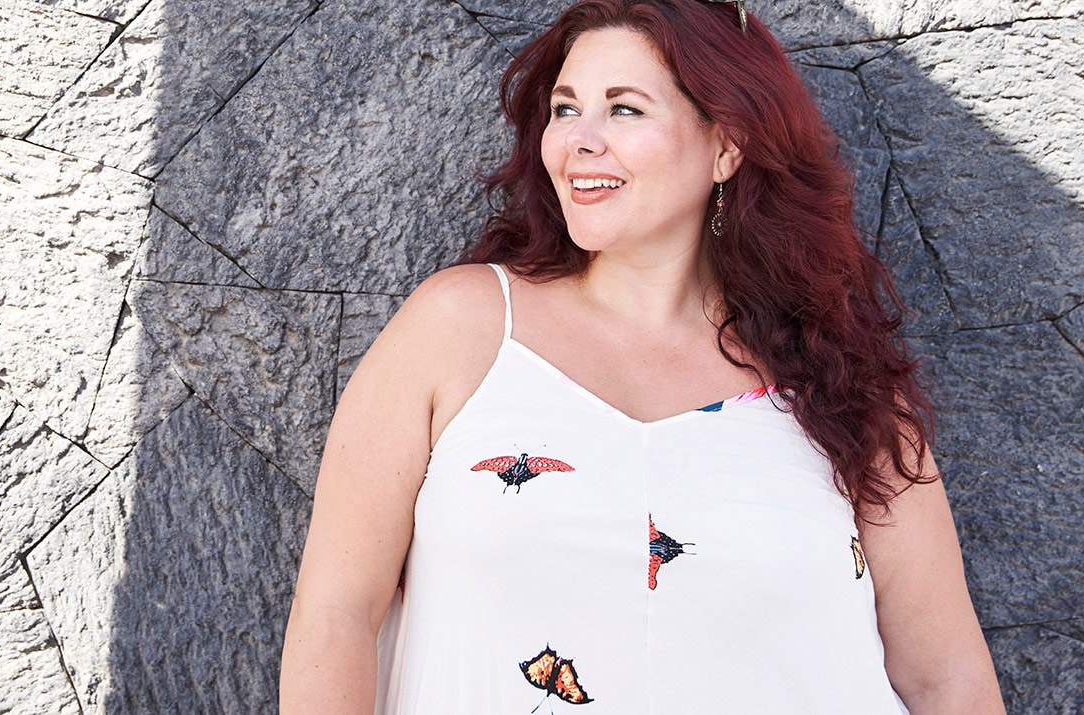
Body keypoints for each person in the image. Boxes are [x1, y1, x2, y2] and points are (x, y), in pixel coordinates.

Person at [279, 0, 1002, 712]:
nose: (578, 140)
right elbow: (336, 616)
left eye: (624, 109)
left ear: (726, 144)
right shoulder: (460, 327)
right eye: (565, 109)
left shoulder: (842, 391)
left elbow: (947, 680)